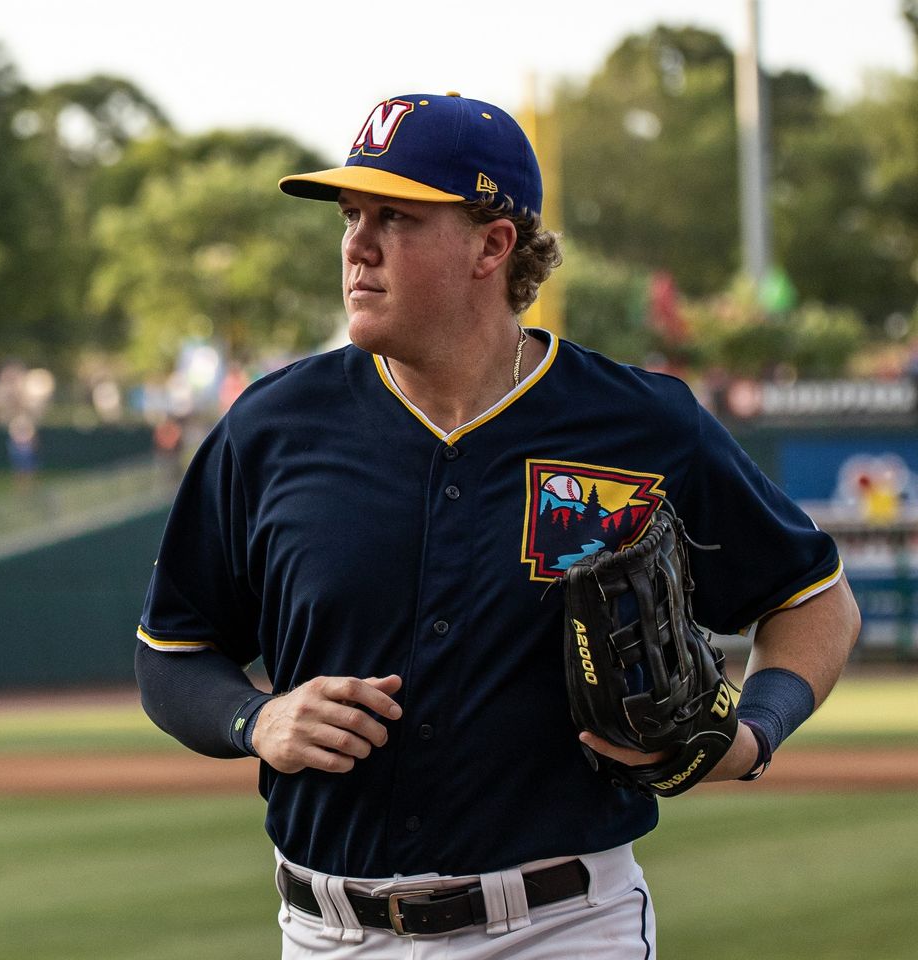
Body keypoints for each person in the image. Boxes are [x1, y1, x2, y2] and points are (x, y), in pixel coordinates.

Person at [134, 92, 861, 959]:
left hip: (558, 927)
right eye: (351, 215)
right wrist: (257, 719)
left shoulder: (638, 424)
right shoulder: (274, 427)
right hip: (328, 935)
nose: (356, 245)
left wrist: (754, 734)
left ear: (493, 243)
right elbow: (171, 653)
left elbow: (816, 602)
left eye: (395, 217)